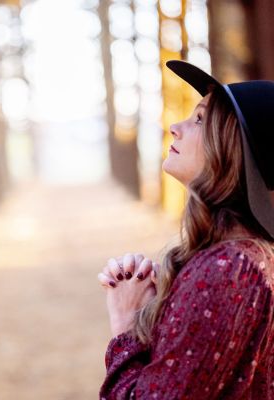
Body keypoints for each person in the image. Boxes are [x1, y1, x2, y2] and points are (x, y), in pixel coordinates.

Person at [97, 60, 274, 399]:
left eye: (199, 119)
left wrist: (125, 324)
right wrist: (150, 311)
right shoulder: (246, 259)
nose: (175, 127)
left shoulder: (228, 269)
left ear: (231, 148)